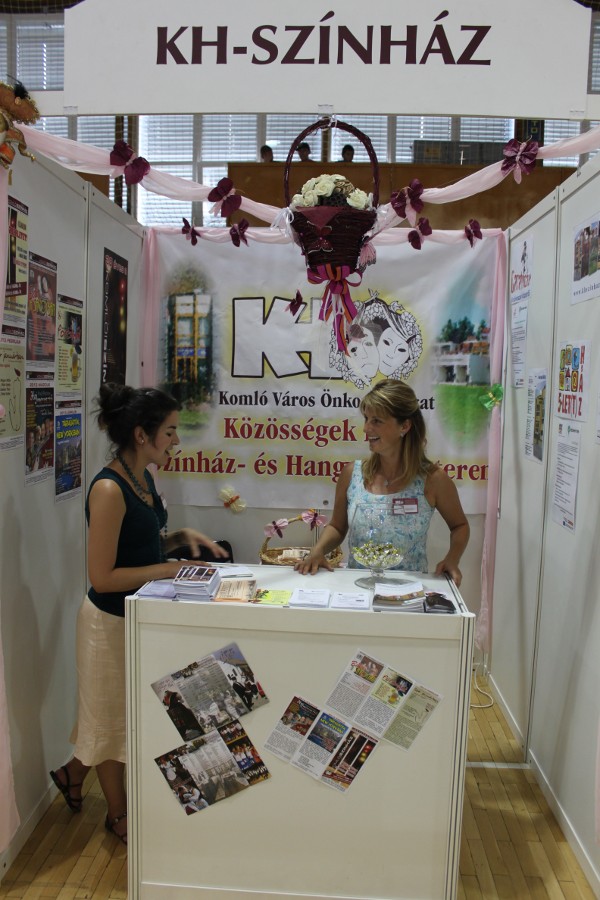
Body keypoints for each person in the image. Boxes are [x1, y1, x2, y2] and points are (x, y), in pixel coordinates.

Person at [49, 383, 229, 845]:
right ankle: (117, 815)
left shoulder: (141, 478)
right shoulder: (109, 489)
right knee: (110, 722)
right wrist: (170, 568)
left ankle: (71, 774)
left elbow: (142, 543)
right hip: (107, 623)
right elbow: (103, 576)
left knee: (115, 714)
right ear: (142, 435)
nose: (176, 440)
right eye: (170, 431)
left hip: (137, 617)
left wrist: (181, 538)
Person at [294, 379, 469, 585]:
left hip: (408, 593)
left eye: (376, 421)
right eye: (366, 419)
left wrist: (452, 559)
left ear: (404, 426)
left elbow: (460, 526)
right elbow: (338, 527)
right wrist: (318, 550)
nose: (366, 428)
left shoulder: (433, 479)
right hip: (356, 590)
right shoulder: (352, 474)